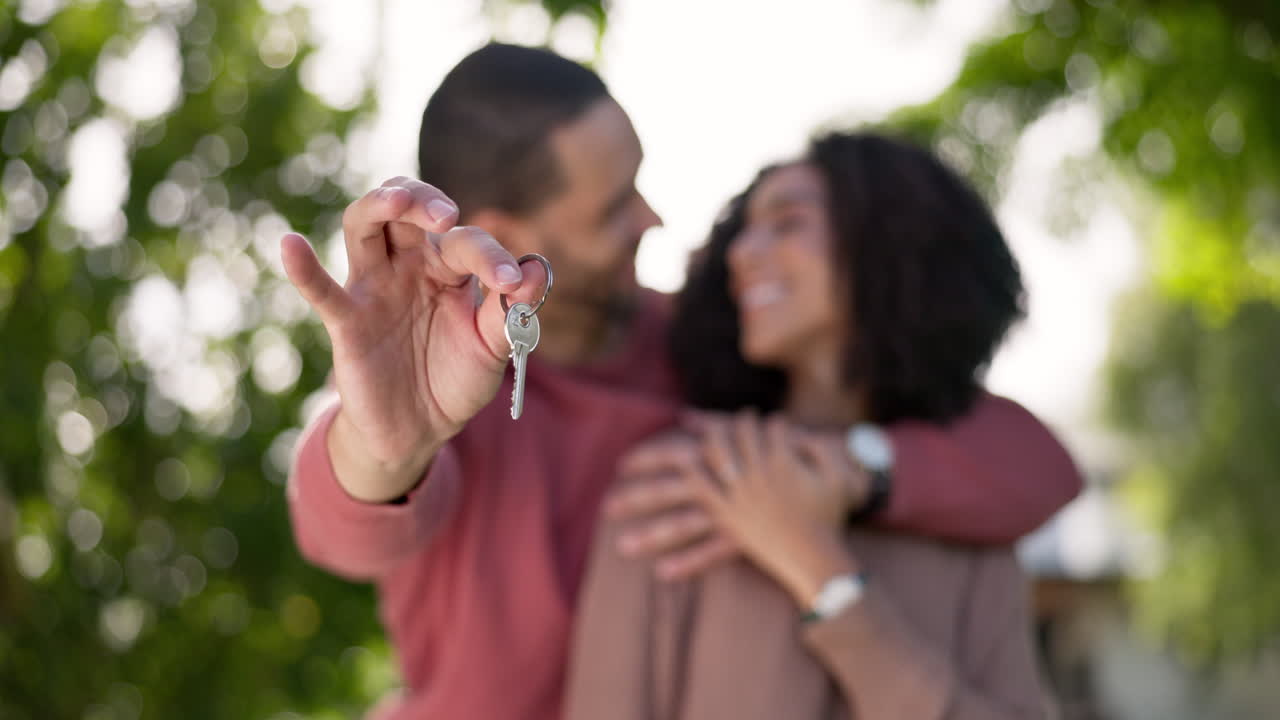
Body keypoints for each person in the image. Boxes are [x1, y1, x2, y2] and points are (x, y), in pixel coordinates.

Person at [280, 44, 1081, 720]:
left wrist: (846, 475)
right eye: (613, 206)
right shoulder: (446, 395)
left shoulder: (708, 354)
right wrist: (383, 442)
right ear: (509, 235)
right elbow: (344, 522)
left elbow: (1032, 464)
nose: (653, 219)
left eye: (638, 180)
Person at [566, 132, 1059, 719]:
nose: (744, 252)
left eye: (789, 222)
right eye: (745, 230)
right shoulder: (679, 486)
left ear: (891, 243)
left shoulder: (975, 517)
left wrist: (823, 575)